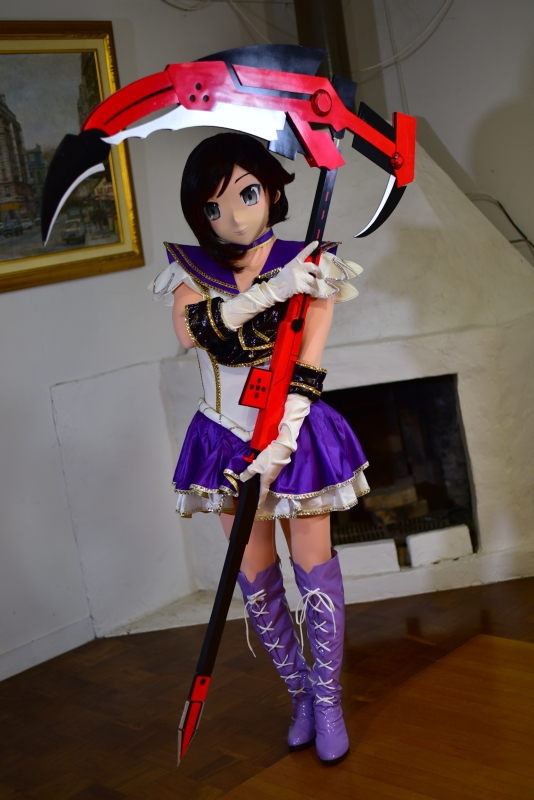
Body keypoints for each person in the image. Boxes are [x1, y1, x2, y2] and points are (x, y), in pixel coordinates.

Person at [151, 132, 369, 765]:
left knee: (314, 571)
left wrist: (282, 440)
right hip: (222, 437)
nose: (234, 218)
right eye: (213, 208)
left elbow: (308, 365)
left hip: (295, 435)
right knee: (254, 576)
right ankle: (298, 694)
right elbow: (198, 333)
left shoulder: (314, 263)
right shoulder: (192, 271)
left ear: (273, 190)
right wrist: (273, 290)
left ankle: (327, 701)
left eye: (247, 195)